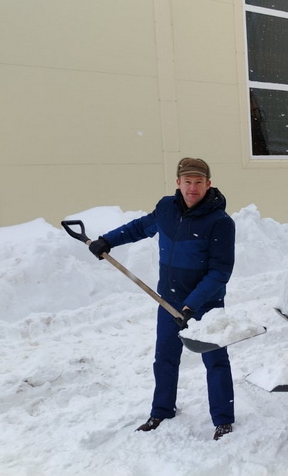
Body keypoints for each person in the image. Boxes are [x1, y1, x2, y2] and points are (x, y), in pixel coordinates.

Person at [87, 157, 236, 441]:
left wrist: (192, 305)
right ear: (177, 182)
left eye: (199, 182)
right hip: (169, 301)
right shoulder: (166, 208)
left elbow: (220, 272)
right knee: (165, 358)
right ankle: (162, 410)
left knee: (215, 360)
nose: (193, 188)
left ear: (208, 184)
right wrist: (107, 241)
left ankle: (223, 419)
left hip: (205, 306)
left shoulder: (220, 222)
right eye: (187, 181)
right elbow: (140, 227)